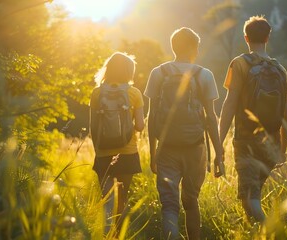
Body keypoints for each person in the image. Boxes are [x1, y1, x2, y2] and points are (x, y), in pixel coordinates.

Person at [144, 27, 224, 240]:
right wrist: (219, 154)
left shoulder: (158, 73)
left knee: (169, 205)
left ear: (173, 47)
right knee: (191, 202)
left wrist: (153, 153)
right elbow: (211, 118)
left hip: (166, 148)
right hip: (195, 148)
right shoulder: (204, 75)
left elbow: (151, 117)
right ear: (194, 48)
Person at [219, 15, 287, 223]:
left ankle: (272, 233)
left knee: (251, 198)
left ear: (246, 38)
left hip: (246, 143)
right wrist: (281, 151)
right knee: (250, 196)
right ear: (268, 38)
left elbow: (229, 104)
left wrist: (218, 143)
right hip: (271, 143)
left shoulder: (240, 64)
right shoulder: (281, 70)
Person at [89, 52, 145, 236]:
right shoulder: (134, 93)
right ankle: (118, 235)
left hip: (103, 154)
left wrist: (99, 148)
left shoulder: (97, 93)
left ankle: (105, 235)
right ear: (129, 72)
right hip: (127, 153)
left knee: (107, 200)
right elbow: (140, 126)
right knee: (121, 200)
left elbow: (93, 127)